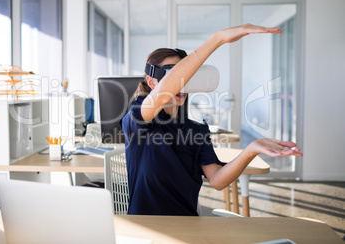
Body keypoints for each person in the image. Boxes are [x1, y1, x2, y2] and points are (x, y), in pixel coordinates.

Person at [119, 23, 303, 216]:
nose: (182, 84)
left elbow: (217, 180)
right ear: (151, 81)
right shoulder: (136, 120)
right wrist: (217, 39)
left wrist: (251, 150)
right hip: (146, 227)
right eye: (173, 75)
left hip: (187, 226)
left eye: (187, 75)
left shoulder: (196, 130)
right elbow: (163, 94)